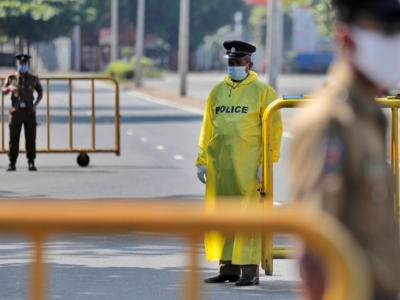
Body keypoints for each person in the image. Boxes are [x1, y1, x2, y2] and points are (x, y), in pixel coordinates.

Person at [289, 0, 400, 299]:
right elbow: (315, 246)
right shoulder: (329, 122)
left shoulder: (368, 115)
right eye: (386, 33)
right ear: (347, 37)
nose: (395, 44)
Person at [195, 40, 283, 286]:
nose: (233, 67)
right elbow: (207, 127)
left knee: (247, 216)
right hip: (220, 164)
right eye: (230, 63)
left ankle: (249, 271)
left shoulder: (264, 92)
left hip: (249, 165)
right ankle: (227, 268)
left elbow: (274, 129)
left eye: (238, 63)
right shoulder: (217, 91)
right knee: (223, 213)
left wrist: (268, 161)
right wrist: (201, 161)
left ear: (249, 64)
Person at [1, 54, 42, 171]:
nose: (22, 65)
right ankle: (12, 162)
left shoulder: (33, 78)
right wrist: (9, 88)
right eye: (20, 63)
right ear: (16, 64)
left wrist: (35, 106)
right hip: (16, 112)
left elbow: (40, 93)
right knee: (13, 138)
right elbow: (3, 90)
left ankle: (31, 162)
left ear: (27, 64)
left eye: (24, 63)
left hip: (29, 112)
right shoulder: (11, 78)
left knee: (30, 138)